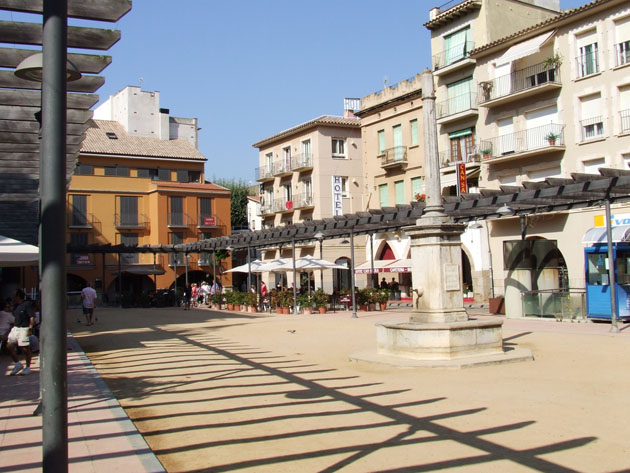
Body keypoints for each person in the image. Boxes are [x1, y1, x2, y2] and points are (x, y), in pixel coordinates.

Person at [6, 289, 36, 376]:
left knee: (25, 349)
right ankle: (18, 364)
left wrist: (30, 328)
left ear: (18, 296)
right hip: (16, 328)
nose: (13, 297)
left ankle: (28, 367)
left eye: (14, 295)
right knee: (9, 346)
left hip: (24, 328)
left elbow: (32, 317)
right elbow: (12, 312)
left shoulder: (27, 305)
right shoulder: (15, 305)